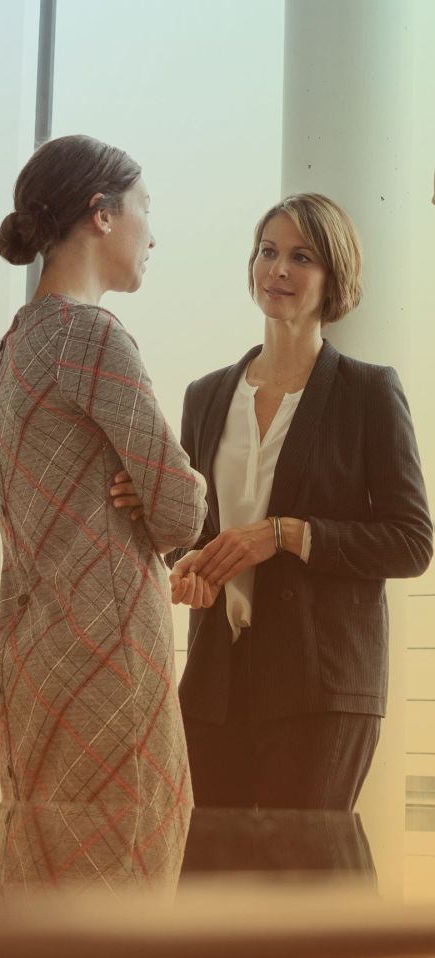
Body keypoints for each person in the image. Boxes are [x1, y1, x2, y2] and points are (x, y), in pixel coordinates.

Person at [0, 133, 207, 866]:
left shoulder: (5, 354)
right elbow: (179, 511)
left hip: (30, 662)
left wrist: (141, 485)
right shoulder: (94, 337)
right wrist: (173, 486)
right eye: (145, 207)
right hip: (109, 661)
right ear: (101, 214)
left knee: (37, 878)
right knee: (126, 881)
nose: (152, 231)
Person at [165, 193, 432, 810]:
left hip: (321, 687)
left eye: (301, 256)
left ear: (333, 276)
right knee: (207, 886)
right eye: (267, 252)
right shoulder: (205, 397)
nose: (277, 269)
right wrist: (187, 562)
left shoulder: (368, 392)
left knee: (300, 889)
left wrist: (284, 533)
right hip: (214, 682)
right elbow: (194, 529)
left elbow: (412, 542)